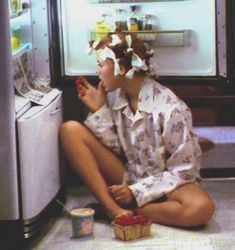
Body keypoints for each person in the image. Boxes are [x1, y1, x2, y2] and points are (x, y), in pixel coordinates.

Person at [59, 32, 215, 227]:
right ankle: (112, 209)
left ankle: (131, 211)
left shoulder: (170, 109)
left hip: (167, 186)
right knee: (70, 130)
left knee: (201, 208)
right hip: (129, 176)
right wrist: (100, 110)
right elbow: (115, 147)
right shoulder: (115, 96)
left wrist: (136, 192)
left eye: (100, 65)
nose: (97, 72)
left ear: (121, 68)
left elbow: (184, 172)